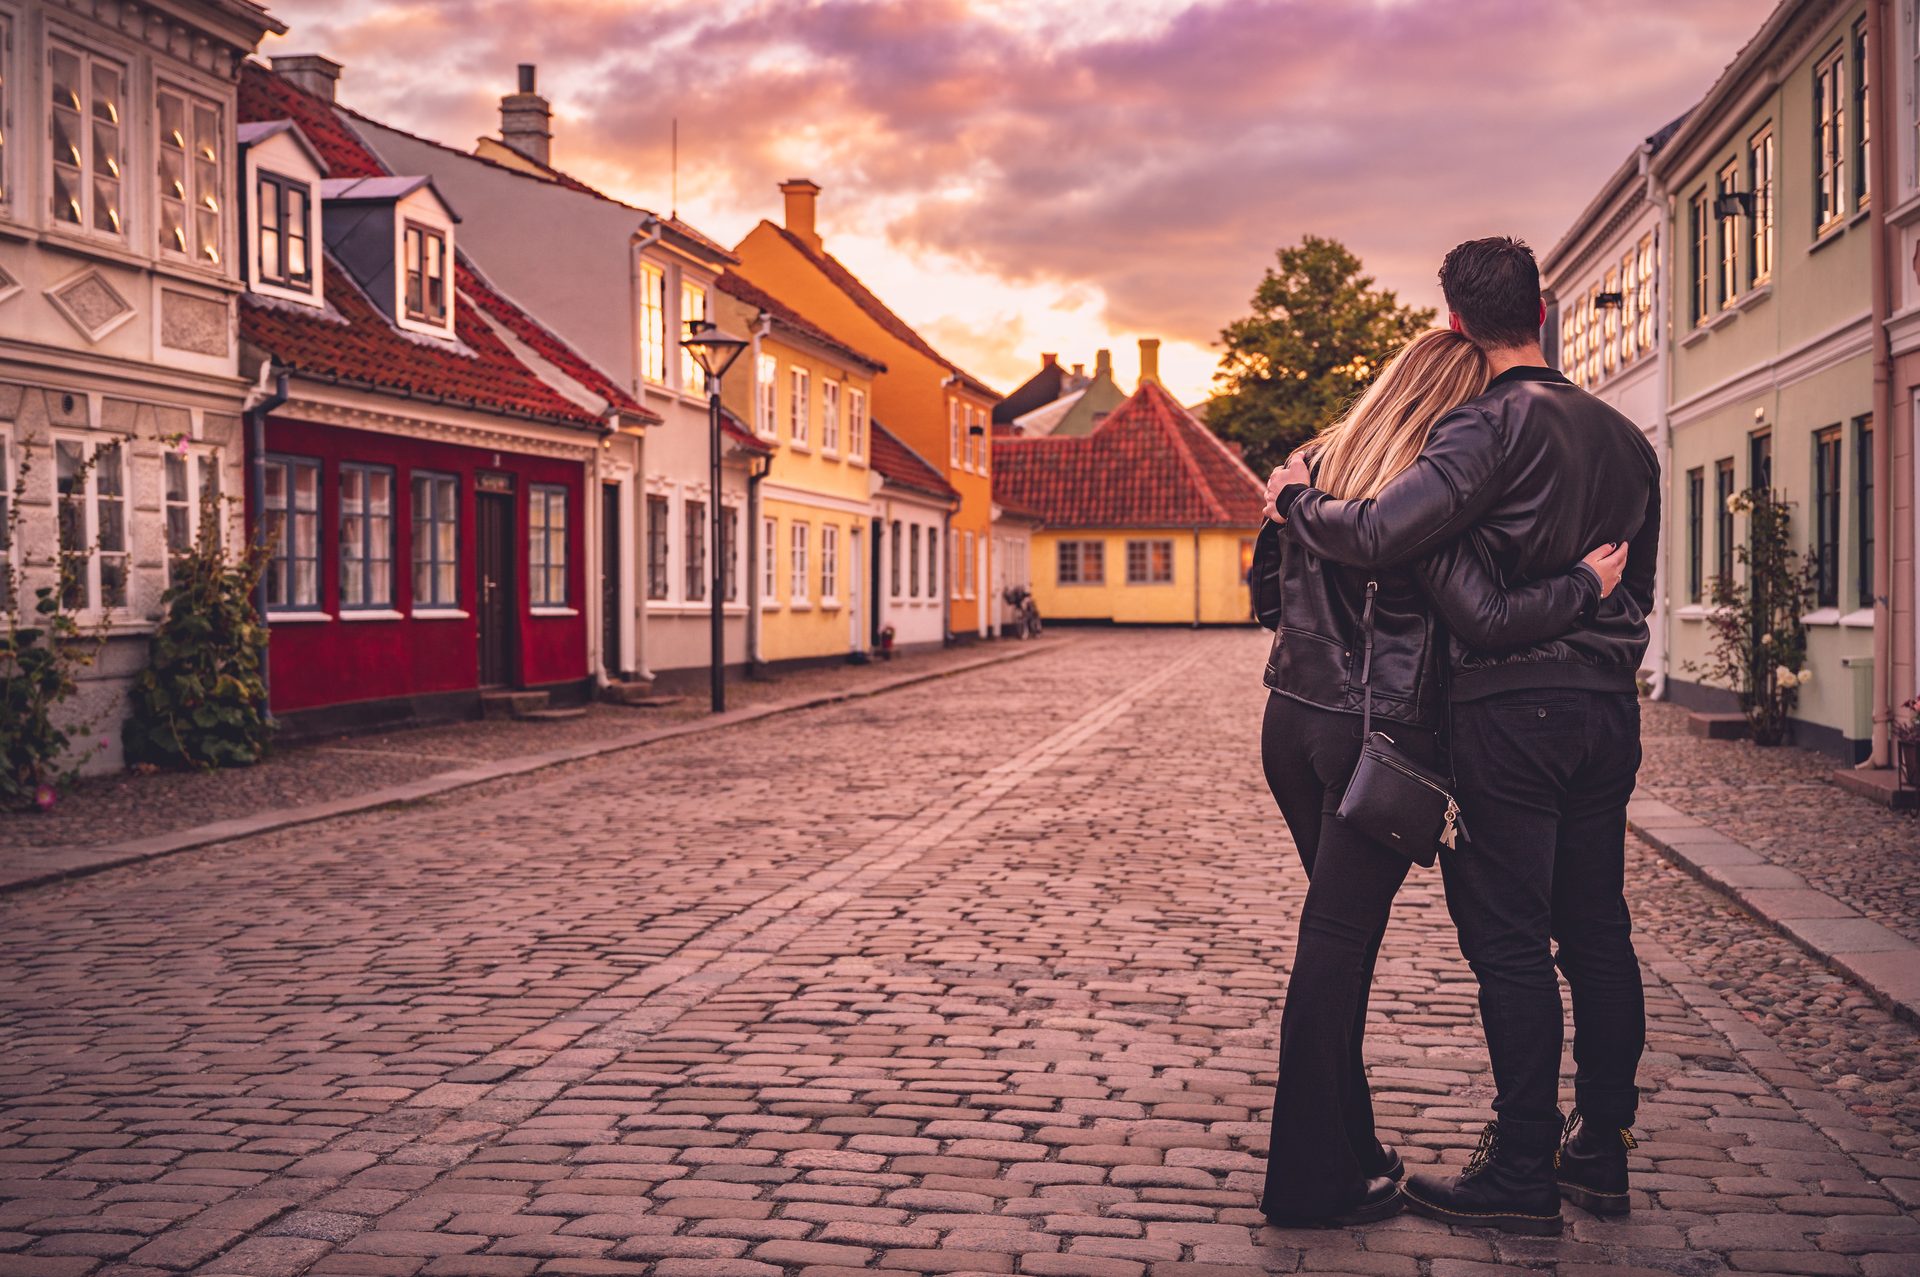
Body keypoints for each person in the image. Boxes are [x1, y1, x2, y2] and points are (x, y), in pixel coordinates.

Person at [1268, 237, 1661, 1236]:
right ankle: (1599, 1149)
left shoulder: (1476, 432)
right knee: (1601, 930)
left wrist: (1293, 499)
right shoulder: (1628, 439)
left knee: (1510, 941)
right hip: (1608, 708)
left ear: (1453, 318)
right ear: (1545, 308)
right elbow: (1639, 591)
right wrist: (1589, 599)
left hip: (1504, 708)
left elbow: (1414, 568)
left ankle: (1521, 1165)